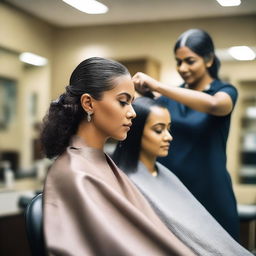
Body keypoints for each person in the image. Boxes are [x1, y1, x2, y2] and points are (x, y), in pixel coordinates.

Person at [40, 57, 196, 255]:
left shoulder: (99, 161)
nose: (132, 113)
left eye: (131, 102)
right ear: (88, 103)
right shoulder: (76, 173)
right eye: (123, 102)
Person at [132, 28, 240, 240]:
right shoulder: (167, 98)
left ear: (209, 60)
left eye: (190, 61)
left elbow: (213, 105)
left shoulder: (224, 92)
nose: (183, 68)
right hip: (172, 192)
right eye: (178, 62)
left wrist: (157, 85)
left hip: (211, 192)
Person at [112, 96, 252, 256]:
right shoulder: (127, 182)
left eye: (168, 129)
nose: (168, 137)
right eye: (159, 130)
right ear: (135, 132)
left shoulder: (165, 174)